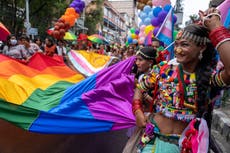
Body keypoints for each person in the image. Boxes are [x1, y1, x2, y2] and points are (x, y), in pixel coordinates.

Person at [123, 7, 230, 153]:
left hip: (185, 146)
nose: (178, 50)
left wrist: (216, 28)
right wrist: (138, 112)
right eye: (177, 44)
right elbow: (140, 88)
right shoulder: (163, 70)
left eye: (185, 45)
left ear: (202, 47)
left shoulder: (209, 77)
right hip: (152, 141)